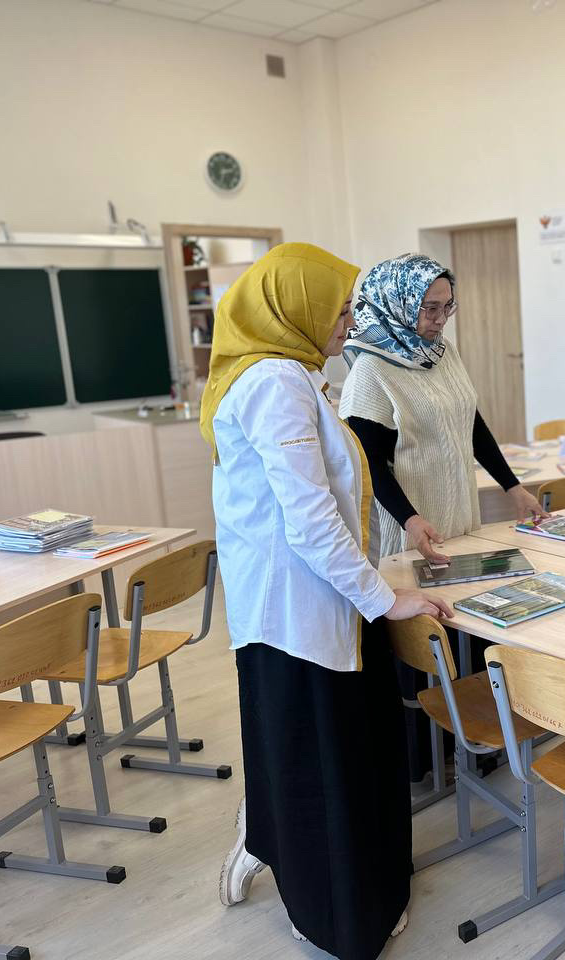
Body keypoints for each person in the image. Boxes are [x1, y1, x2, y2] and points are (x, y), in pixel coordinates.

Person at [200, 243, 453, 959]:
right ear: (298, 310)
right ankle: (337, 914)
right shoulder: (275, 382)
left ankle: (270, 840)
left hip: (312, 597)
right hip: (301, 608)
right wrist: (384, 598)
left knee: (311, 751)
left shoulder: (286, 375)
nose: (349, 323)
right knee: (324, 763)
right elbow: (310, 518)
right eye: (340, 311)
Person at [339, 253, 547, 782]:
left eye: (447, 307)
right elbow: (369, 462)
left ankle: (475, 745)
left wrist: (513, 486)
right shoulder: (370, 370)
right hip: (406, 530)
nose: (438, 319)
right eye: (428, 308)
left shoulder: (441, 353)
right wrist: (410, 519)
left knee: (470, 630)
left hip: (457, 518)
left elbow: (472, 424)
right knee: (425, 642)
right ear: (398, 303)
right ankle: (425, 761)